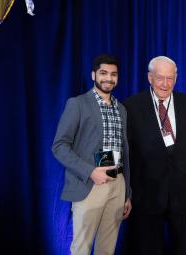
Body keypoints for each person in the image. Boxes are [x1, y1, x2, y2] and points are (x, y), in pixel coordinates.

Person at [123, 56, 186, 255]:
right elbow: (128, 153)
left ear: (176, 79)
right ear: (149, 78)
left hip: (184, 192)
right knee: (148, 248)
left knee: (185, 248)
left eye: (170, 78)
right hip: (146, 194)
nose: (165, 83)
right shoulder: (131, 106)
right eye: (160, 78)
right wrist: (127, 192)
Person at [52, 54, 132, 255]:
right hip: (90, 184)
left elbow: (125, 152)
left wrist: (127, 193)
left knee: (107, 248)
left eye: (113, 74)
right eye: (103, 73)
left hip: (117, 183)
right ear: (93, 74)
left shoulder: (121, 108)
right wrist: (90, 171)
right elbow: (59, 146)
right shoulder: (77, 104)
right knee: (81, 248)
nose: (109, 78)